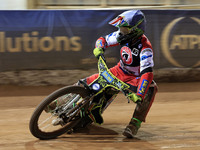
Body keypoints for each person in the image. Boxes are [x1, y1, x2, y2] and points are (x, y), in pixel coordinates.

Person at [85, 9, 158, 138]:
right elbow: (103, 39)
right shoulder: (122, 36)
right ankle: (59, 102)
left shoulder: (145, 48)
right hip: (119, 70)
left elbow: (147, 73)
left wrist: (139, 94)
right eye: (121, 29)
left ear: (136, 30)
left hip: (135, 78)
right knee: (90, 80)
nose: (121, 32)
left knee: (151, 89)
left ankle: (134, 124)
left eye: (125, 29)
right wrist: (99, 47)